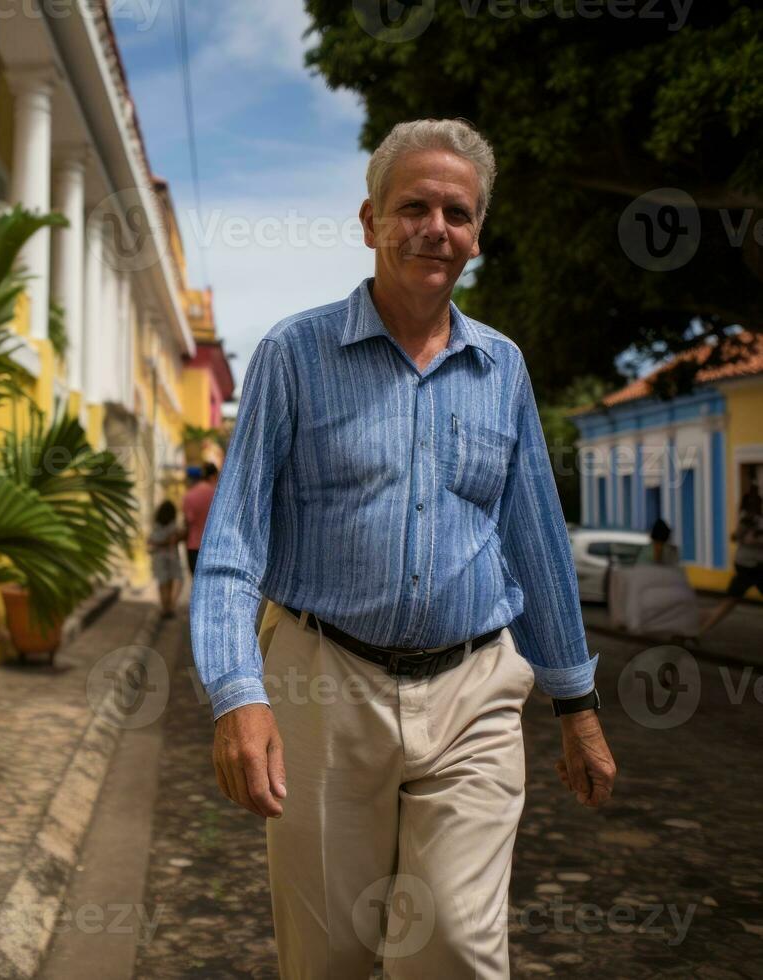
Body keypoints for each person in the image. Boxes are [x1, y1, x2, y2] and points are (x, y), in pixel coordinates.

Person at [190, 118, 616, 978]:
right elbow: (232, 542)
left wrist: (576, 706)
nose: (435, 228)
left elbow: (533, 540)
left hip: (473, 689)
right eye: (413, 206)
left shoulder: (502, 367)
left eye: (456, 213)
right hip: (322, 683)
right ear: (369, 220)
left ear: (476, 234)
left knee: (456, 944)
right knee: (330, 954)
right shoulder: (292, 355)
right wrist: (238, 696)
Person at [700, 486, 763, 636]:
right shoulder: (748, 518)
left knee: (730, 601)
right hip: (750, 566)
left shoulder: (752, 517)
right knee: (730, 601)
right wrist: (753, 539)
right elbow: (738, 537)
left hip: (752, 564)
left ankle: (701, 627)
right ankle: (701, 626)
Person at [147, 500, 185, 617]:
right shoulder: (173, 526)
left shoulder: (156, 526)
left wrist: (156, 544)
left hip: (158, 558)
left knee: (162, 584)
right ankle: (170, 606)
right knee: (171, 582)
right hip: (171, 557)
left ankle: (165, 607)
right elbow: (174, 540)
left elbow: (150, 541)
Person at [183, 462, 218, 574]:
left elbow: (187, 523)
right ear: (213, 476)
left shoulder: (189, 496)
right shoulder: (218, 494)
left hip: (194, 549)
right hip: (215, 547)